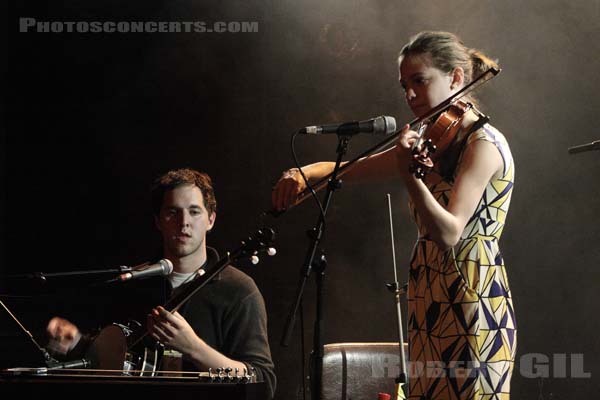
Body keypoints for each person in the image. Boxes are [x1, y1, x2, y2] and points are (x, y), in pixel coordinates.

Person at [272, 31, 516, 399]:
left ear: (456, 77)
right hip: (429, 292)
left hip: (473, 295)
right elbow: (361, 166)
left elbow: (449, 233)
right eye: (405, 85)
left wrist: (409, 175)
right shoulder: (434, 137)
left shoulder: (484, 145)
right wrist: (310, 172)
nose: (410, 95)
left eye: (420, 81)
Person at [46, 168, 276, 398]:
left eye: (194, 212)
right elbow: (112, 360)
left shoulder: (239, 290)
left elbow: (262, 382)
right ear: (158, 221)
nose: (184, 222)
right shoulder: (133, 281)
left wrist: (193, 347)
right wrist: (77, 343)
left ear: (211, 219)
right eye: (173, 212)